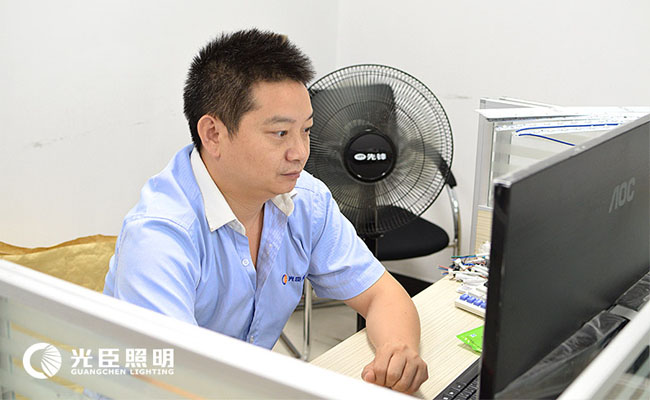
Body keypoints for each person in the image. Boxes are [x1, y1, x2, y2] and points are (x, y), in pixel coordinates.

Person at [104, 28, 428, 394]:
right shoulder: (159, 236)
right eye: (280, 134)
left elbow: (382, 293)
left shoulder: (306, 199)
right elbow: (172, 381)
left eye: (306, 130)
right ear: (213, 134)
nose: (300, 153)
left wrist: (397, 351)